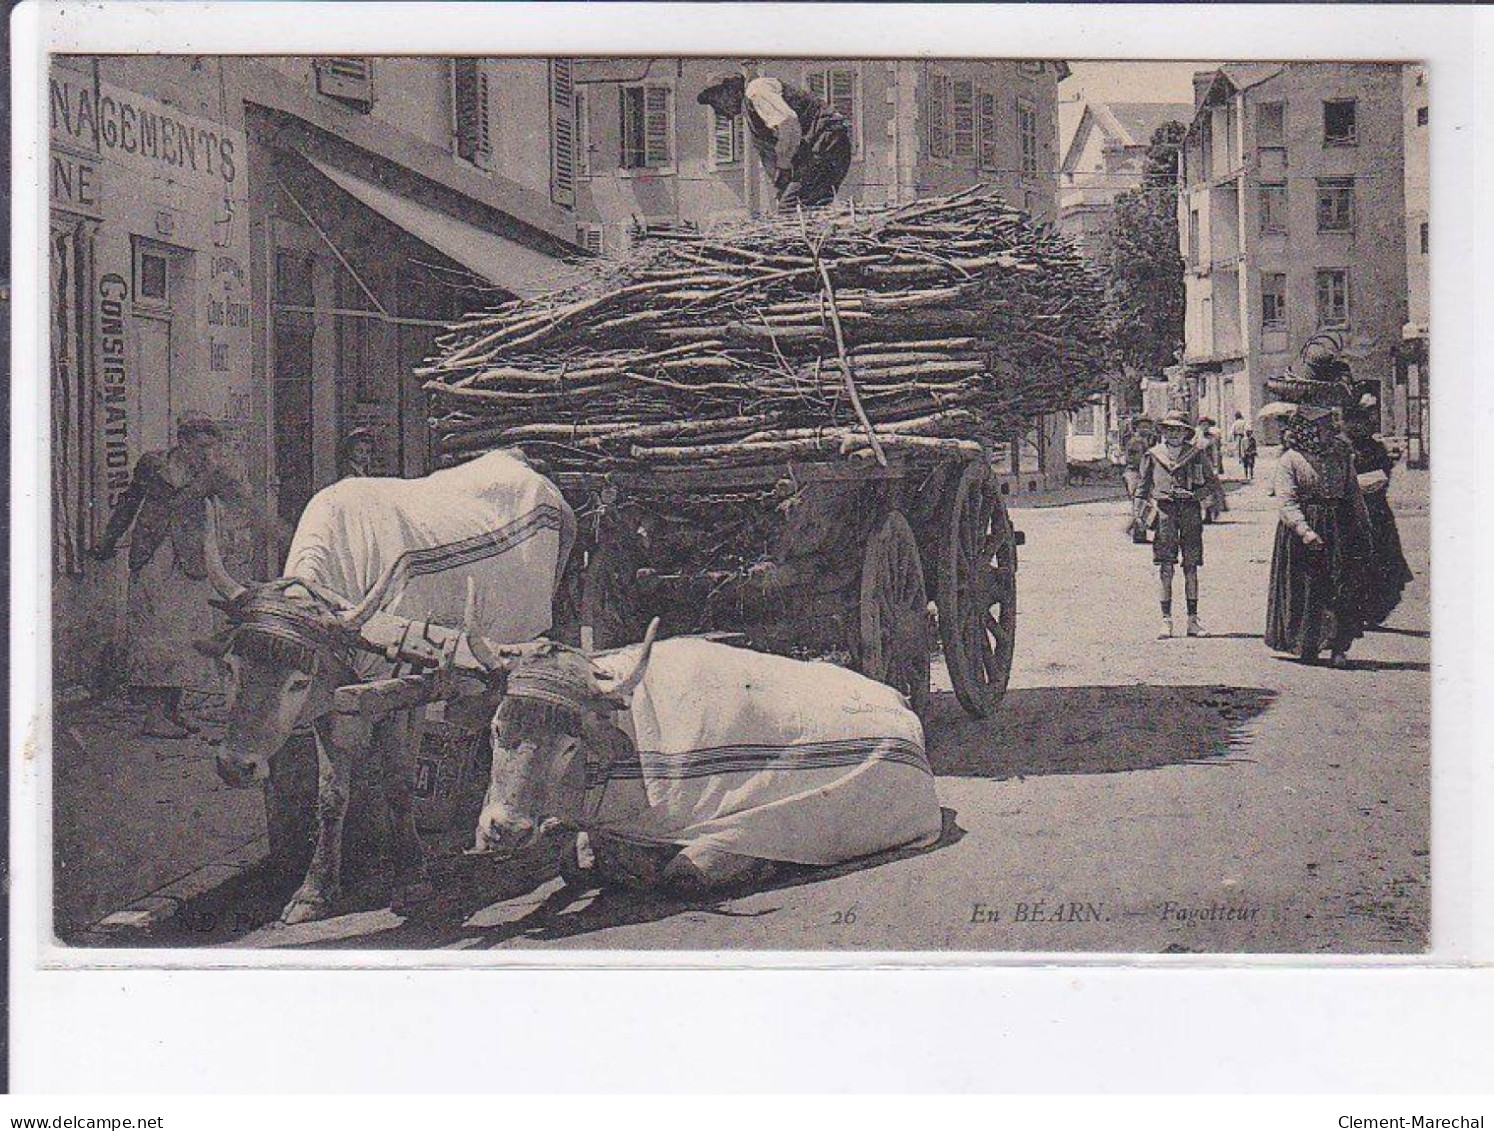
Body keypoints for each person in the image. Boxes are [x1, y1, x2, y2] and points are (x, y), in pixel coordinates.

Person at [90, 415, 288, 737]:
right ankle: (154, 717)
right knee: (154, 633)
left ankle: (171, 711)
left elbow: (247, 505)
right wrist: (107, 541)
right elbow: (128, 503)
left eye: (212, 447)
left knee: (184, 636)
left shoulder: (212, 473)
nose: (209, 454)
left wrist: (286, 536)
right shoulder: (152, 465)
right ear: (182, 443)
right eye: (202, 447)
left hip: (190, 560)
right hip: (152, 557)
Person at [1264, 405, 1373, 667]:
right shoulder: (1290, 459)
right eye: (1323, 427)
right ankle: (1307, 645)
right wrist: (1305, 530)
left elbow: (1353, 492)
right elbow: (1286, 501)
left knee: (1341, 586)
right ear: (1308, 430)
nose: (1330, 431)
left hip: (1338, 525)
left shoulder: (1341, 454)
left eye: (1330, 425)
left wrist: (1364, 523)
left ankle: (1339, 647)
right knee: (1308, 588)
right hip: (1302, 530)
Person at [697, 72, 853, 209]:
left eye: (715, 101)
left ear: (731, 90)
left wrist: (784, 167)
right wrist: (783, 184)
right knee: (807, 206)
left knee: (791, 209)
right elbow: (771, 153)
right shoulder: (752, 113)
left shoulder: (756, 91)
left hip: (825, 142)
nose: (717, 111)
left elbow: (789, 125)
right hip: (823, 148)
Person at [1136, 411, 1227, 638]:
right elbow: (1142, 488)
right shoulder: (1153, 455)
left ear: (1186, 433)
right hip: (1165, 513)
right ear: (1163, 431)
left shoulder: (1196, 454)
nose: (1173, 433)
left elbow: (1211, 484)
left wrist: (1195, 495)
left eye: (1178, 429)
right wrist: (1141, 513)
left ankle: (1192, 621)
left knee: (1191, 566)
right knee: (1165, 567)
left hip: (1190, 512)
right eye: (1169, 429)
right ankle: (1165, 621)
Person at [1345, 398, 1412, 627]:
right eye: (1356, 422)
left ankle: (1374, 610)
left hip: (1377, 511)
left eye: (1365, 422)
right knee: (1355, 562)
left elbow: (1385, 473)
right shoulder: (1342, 448)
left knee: (1383, 560)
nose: (1362, 426)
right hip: (1351, 513)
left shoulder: (1375, 448)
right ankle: (1357, 610)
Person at [1122, 417, 1156, 543]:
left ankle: (1136, 532)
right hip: (1134, 473)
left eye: (1147, 427)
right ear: (1137, 428)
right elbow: (1133, 459)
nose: (1146, 429)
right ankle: (1135, 532)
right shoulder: (1135, 442)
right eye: (1142, 427)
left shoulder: (1147, 441)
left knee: (1142, 504)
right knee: (1141, 502)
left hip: (1141, 473)